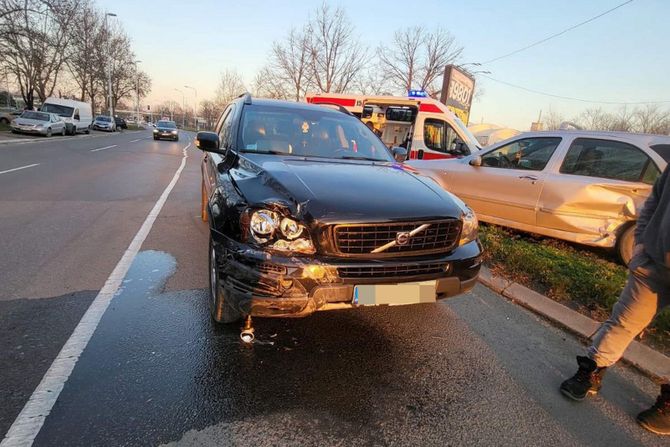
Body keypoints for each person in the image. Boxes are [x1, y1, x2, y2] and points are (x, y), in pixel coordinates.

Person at [560, 166, 670, 435]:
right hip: (654, 264)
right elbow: (655, 197)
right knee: (622, 322)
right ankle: (593, 370)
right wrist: (641, 243)